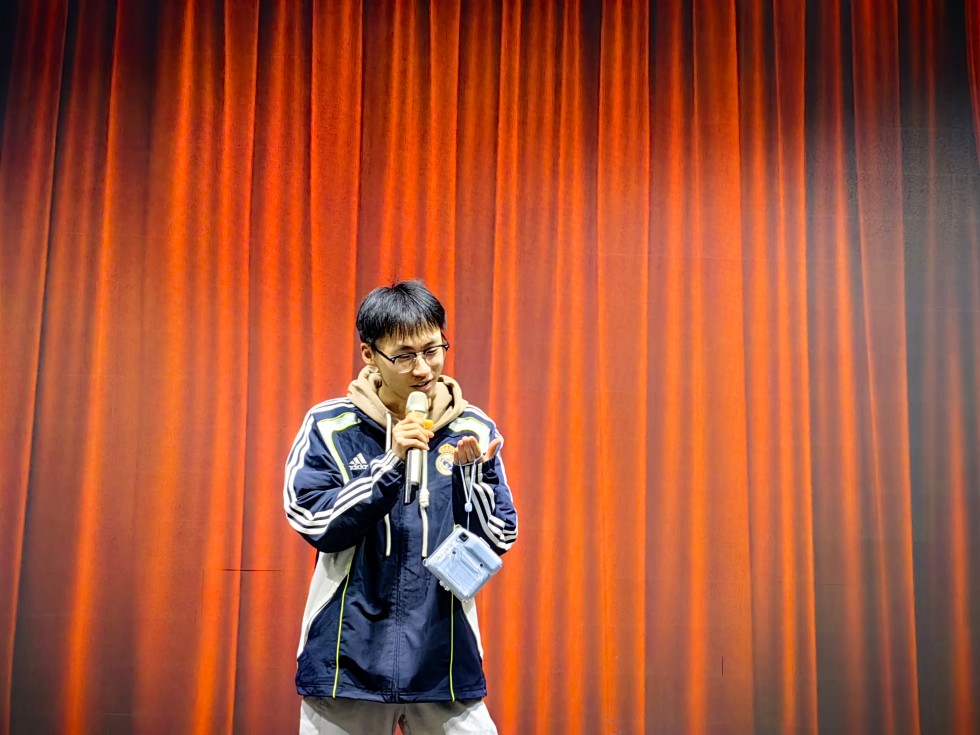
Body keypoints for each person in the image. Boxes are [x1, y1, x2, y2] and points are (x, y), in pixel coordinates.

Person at [284, 280, 518, 734]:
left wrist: (472, 482)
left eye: (433, 350)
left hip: (443, 658)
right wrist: (390, 465)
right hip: (347, 661)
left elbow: (500, 536)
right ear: (369, 355)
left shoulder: (473, 429)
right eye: (405, 356)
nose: (423, 368)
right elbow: (313, 520)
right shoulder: (330, 425)